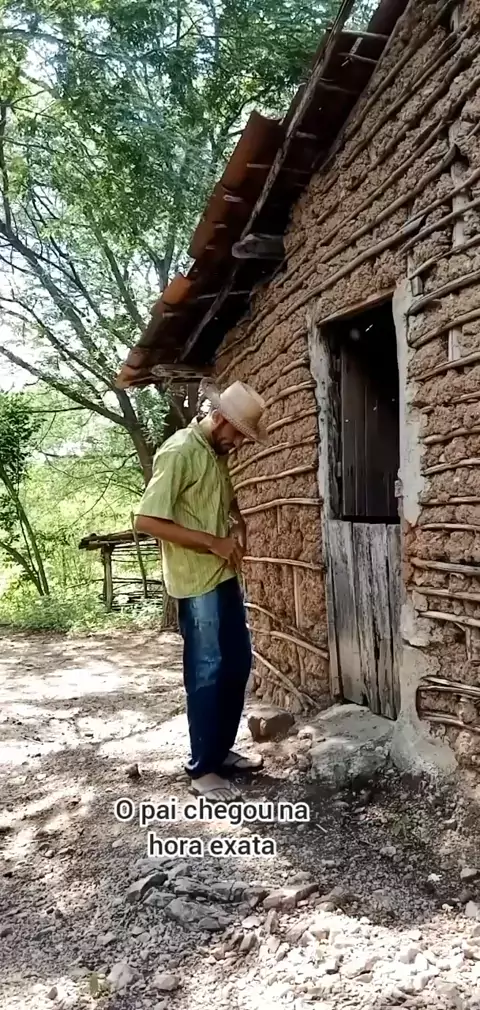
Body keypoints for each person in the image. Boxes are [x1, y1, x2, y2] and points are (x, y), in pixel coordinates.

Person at [134, 379, 268, 802]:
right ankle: (202, 769)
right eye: (237, 435)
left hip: (222, 575)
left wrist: (238, 522)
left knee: (237, 664)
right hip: (195, 583)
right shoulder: (179, 452)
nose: (239, 444)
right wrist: (213, 542)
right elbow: (146, 520)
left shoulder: (215, 452)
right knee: (207, 671)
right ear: (219, 417)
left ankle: (220, 750)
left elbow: (224, 497)